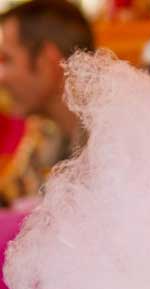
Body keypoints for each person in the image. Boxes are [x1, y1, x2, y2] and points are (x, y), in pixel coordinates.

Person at [0, 0, 94, 205]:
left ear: (47, 60)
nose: (1, 77)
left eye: (7, 59)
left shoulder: (111, 144)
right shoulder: (49, 136)